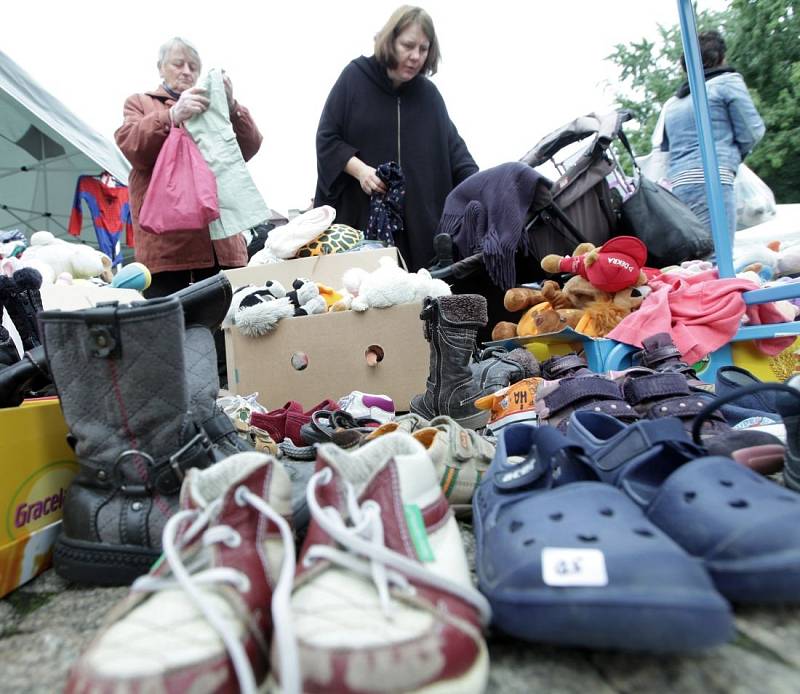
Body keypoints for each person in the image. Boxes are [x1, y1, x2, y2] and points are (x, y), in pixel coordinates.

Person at [314, 6, 478, 272]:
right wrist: (361, 171)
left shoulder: (429, 97)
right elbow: (327, 139)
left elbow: (458, 157)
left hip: (421, 238)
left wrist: (490, 191)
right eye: (408, 46)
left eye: (423, 49)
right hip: (361, 229)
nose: (415, 57)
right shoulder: (354, 78)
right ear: (390, 41)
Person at [115, 37, 263, 298]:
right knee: (175, 334)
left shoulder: (213, 106)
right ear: (161, 67)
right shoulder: (140, 103)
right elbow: (132, 147)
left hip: (224, 247)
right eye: (178, 64)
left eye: (193, 66)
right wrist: (171, 116)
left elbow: (249, 147)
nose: (186, 71)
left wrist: (231, 107)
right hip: (169, 255)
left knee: (229, 335)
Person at [662, 30, 765, 239]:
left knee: (693, 258)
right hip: (712, 177)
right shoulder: (727, 83)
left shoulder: (673, 103)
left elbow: (665, 148)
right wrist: (736, 155)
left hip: (678, 186)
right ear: (720, 57)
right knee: (718, 255)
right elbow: (752, 131)